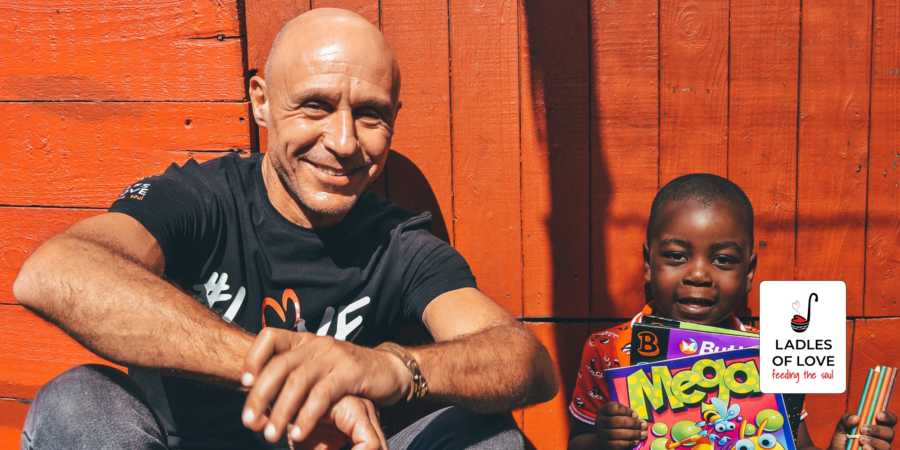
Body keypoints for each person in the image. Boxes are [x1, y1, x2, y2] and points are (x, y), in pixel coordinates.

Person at [14, 8, 558, 450]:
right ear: (262, 102)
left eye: (371, 114)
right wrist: (293, 377)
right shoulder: (202, 198)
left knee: (489, 439)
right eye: (316, 106)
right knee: (77, 402)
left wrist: (394, 367)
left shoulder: (400, 243)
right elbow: (56, 273)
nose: (345, 141)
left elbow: (523, 359)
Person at [566, 173, 896, 450]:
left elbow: (793, 442)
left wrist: (841, 446)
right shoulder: (609, 348)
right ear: (648, 264)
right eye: (676, 256)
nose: (698, 274)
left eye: (723, 259)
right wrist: (605, 439)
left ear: (749, 272)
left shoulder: (771, 350)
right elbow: (578, 440)